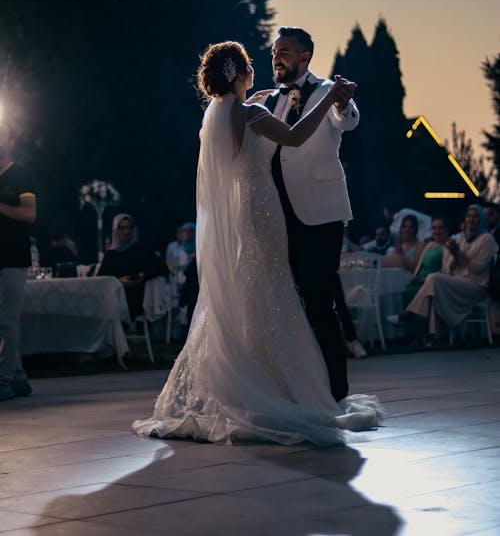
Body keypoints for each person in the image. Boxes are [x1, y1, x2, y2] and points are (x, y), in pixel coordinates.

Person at [133, 41, 381, 444]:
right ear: (242, 74)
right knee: (272, 292)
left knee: (257, 294)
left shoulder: (217, 114)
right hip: (266, 211)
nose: (270, 63)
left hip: (251, 211)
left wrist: (316, 100)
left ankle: (257, 380)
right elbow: (296, 137)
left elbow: (336, 122)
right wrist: (320, 100)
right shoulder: (251, 111)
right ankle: (282, 387)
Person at [263, 27, 366, 374]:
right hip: (276, 214)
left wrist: (342, 100)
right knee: (286, 300)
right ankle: (300, 379)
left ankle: (336, 387)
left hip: (320, 213)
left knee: (320, 299)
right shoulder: (269, 99)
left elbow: (347, 120)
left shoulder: (325, 90)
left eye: (285, 51)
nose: (277, 56)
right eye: (275, 50)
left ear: (304, 56)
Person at [388, 205, 497, 340]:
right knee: (434, 288)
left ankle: (407, 314)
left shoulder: (487, 239)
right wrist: (455, 257)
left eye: (475, 216)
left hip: (477, 285)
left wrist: (459, 254)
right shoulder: (461, 239)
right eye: (468, 216)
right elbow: (451, 269)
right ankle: (433, 335)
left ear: (481, 219)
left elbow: (478, 268)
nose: (471, 219)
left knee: (433, 279)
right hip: (459, 281)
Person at [0, 122, 37, 401]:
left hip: (13, 258)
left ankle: (4, 379)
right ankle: (19, 376)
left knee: (7, 322)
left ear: (10, 138)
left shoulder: (21, 174)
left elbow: (28, 214)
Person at [99, 214, 164, 321]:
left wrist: (144, 275)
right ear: (116, 230)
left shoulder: (141, 250)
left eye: (129, 227)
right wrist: (119, 281)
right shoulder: (111, 255)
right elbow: (102, 279)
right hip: (116, 295)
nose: (126, 231)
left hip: (137, 297)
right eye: (122, 228)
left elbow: (162, 268)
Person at [401, 215, 450, 308]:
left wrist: (421, 280)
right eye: (434, 228)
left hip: (430, 283)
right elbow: (419, 265)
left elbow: (445, 271)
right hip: (416, 281)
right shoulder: (429, 245)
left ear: (447, 230)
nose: (437, 231)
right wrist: (415, 277)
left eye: (440, 228)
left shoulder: (447, 247)